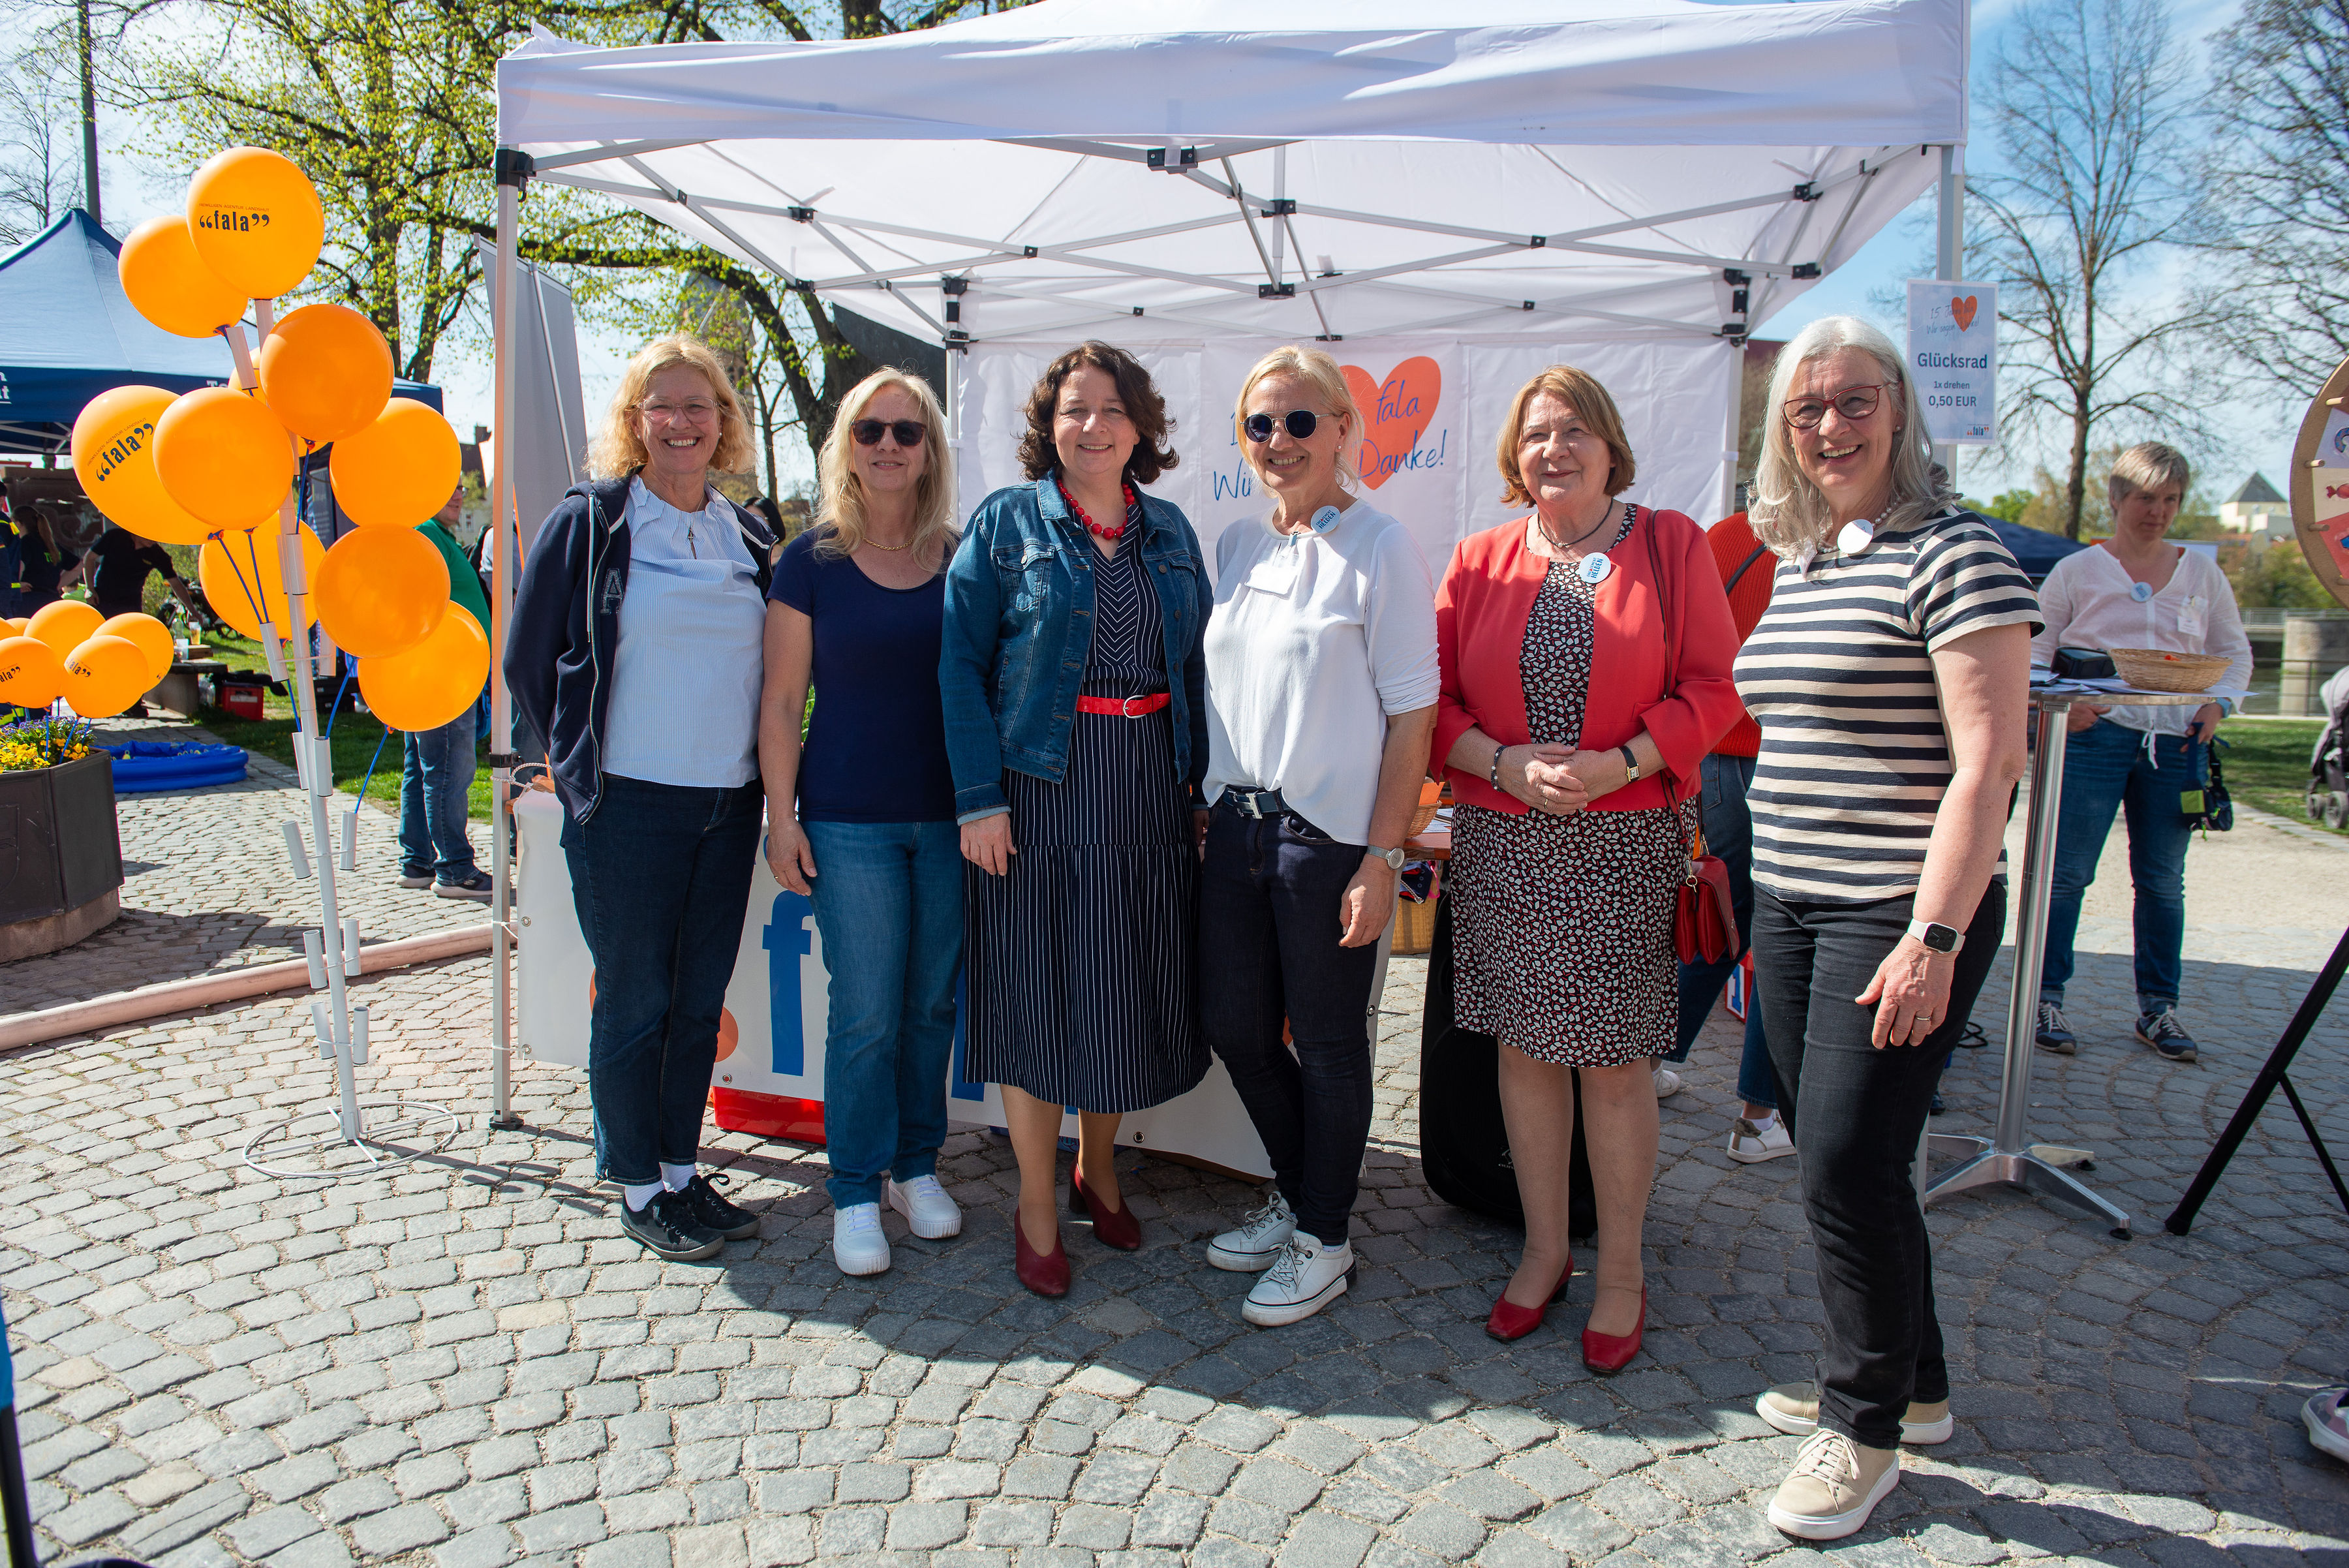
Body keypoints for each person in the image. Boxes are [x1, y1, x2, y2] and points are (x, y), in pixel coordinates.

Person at [1734, 316, 2039, 1541]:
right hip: (1793, 904)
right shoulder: (1809, 557)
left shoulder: (1961, 556)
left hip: (1896, 914)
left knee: (1848, 1163)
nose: (1832, 427)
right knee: (1841, 1150)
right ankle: (1918, 1388)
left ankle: (1858, 1429)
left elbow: (1989, 766)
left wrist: (1936, 936)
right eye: (1808, 410)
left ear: (1901, 410)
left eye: (1856, 401)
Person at [1432, 366, 1742, 1367]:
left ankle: (1622, 1272)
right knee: (1523, 1053)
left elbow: (1716, 687)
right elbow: (1427, 705)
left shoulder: (1670, 543)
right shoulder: (1478, 559)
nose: (1552, 449)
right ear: (1513, 457)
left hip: (1621, 842)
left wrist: (1625, 759)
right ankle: (1546, 1248)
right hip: (1505, 839)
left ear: (1611, 445)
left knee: (1612, 1065)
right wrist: (1501, 762)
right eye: (1534, 434)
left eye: (1573, 431)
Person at [940, 341, 1211, 1299]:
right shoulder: (1006, 522)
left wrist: (1197, 791)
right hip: (1035, 789)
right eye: (1072, 409)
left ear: (1141, 427)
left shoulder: (1171, 531)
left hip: (1144, 785)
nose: (1090, 426)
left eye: (1109, 409)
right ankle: (1037, 1202)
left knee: (1117, 983)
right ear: (1046, 426)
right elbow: (959, 669)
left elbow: (1194, 674)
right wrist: (977, 798)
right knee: (1032, 992)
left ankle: (1101, 1167)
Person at [506, 333, 779, 1264]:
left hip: (727, 802)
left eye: (699, 404)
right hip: (628, 805)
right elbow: (528, 653)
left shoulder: (749, 531)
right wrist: (576, 759)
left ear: (723, 423)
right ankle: (633, 1181)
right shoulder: (594, 518)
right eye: (662, 405)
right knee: (635, 998)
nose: (681, 421)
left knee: (699, 999)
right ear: (634, 422)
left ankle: (677, 1166)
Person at [1197, 346, 1439, 1327]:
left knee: (1332, 1042)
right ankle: (1300, 1195)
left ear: (1344, 427)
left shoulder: (1383, 547)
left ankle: (1325, 1235)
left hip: (1329, 835)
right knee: (1236, 1029)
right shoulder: (1236, 546)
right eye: (1261, 424)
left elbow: (1413, 720)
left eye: (1301, 421)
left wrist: (1385, 858)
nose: (1280, 441)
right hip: (1235, 825)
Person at [760, 371, 965, 1278]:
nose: (889, 445)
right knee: (867, 1013)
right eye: (872, 429)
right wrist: (780, 816)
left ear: (930, 451)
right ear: (847, 442)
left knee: (929, 1008)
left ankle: (915, 1167)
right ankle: (853, 1185)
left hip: (951, 819)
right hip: (846, 819)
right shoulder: (811, 559)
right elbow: (778, 703)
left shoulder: (958, 555)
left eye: (907, 432)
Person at [2031, 442, 2252, 1066]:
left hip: (2173, 741)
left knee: (2162, 881)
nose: (2158, 512)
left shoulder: (2202, 573)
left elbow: (2233, 651)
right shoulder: (2077, 570)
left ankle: (2159, 1006)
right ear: (2118, 500)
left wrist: (2221, 704)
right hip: (2096, 737)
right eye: (2145, 498)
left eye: (2170, 500)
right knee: (2067, 874)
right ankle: (2046, 997)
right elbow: (2034, 650)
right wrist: (2063, 704)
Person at [1662, 508, 1792, 1163]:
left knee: (1723, 914)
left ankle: (1649, 1058)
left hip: (1718, 751)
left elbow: (1678, 642)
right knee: (1779, 930)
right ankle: (1757, 1117)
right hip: (1790, 752)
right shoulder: (1842, 535)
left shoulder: (1733, 533)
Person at [396, 482, 494, 901]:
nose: (459, 495)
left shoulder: (434, 536)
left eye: (460, 486)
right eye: (448, 488)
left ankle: (417, 860)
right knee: (449, 770)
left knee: (423, 767)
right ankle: (454, 868)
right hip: (443, 672)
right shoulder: (425, 537)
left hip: (438, 671)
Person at [82, 523, 196, 623]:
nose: (154, 540)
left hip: (130, 603)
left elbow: (175, 583)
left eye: (157, 537)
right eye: (151, 536)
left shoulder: (157, 555)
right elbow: (89, 558)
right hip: (102, 597)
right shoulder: (114, 536)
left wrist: (192, 610)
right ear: (139, 530)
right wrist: (90, 589)